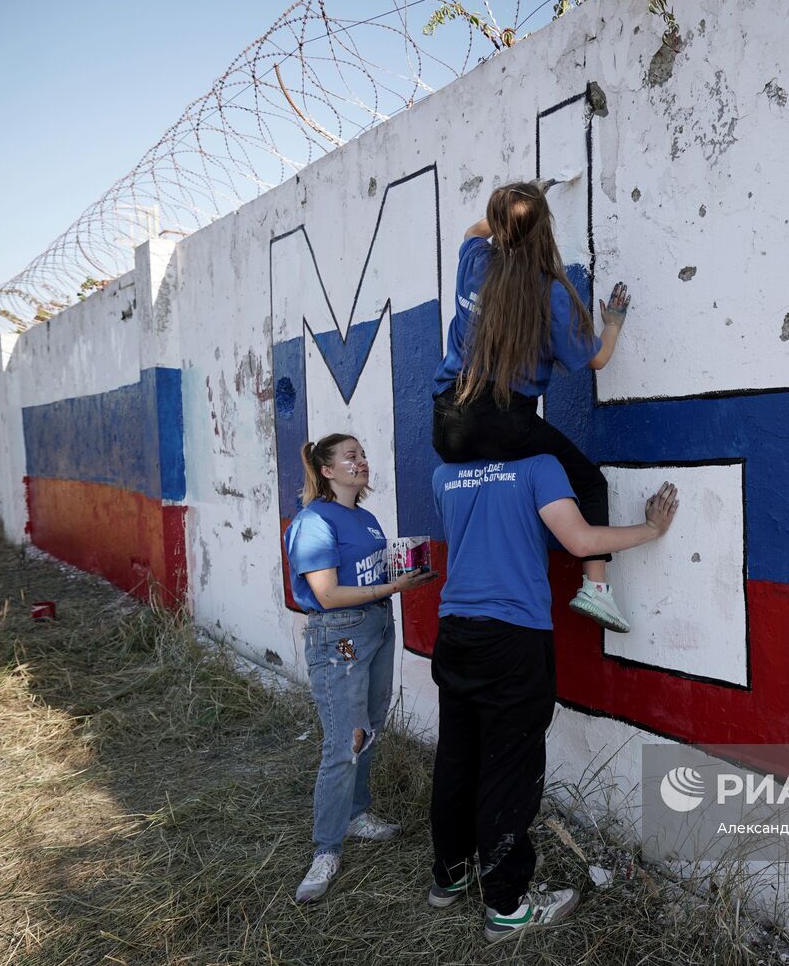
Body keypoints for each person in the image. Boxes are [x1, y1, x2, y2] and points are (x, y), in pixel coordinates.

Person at [426, 453, 678, 943]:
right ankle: (506, 906)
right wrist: (649, 530)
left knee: (457, 758)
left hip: (455, 631)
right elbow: (580, 539)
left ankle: (449, 875)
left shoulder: (445, 474)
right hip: (512, 637)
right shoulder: (537, 466)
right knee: (509, 769)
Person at [431, 178, 638, 633]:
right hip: (506, 423)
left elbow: (472, 231)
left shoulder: (474, 263)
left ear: (500, 227)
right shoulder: (551, 293)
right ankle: (596, 590)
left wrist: (515, 207)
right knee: (589, 482)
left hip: (447, 426)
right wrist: (614, 325)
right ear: (543, 230)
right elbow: (598, 359)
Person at [283, 433, 437, 903]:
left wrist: (403, 574)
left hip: (376, 626)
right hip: (341, 635)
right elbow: (327, 594)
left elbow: (366, 576)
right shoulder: (313, 521)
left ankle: (356, 813)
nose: (362, 462)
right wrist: (391, 590)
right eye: (351, 457)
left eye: (363, 454)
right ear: (327, 470)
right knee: (343, 741)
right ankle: (326, 849)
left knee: (369, 728)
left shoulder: (366, 520)